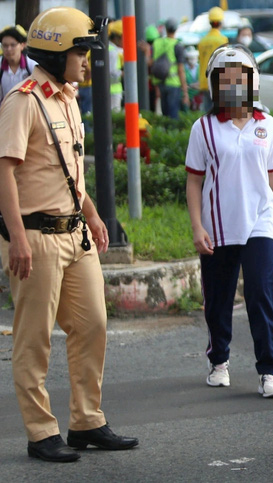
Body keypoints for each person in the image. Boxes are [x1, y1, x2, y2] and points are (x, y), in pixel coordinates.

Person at [0, 7, 138, 463]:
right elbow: (5, 173)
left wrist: (94, 215)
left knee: (92, 324)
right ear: (57, 52)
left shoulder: (66, 97)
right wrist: (16, 239)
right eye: (81, 51)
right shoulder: (24, 101)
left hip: (75, 234)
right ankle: (41, 432)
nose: (87, 60)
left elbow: (68, 169)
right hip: (34, 237)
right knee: (34, 339)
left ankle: (86, 421)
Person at [186, 45, 273, 397]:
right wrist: (197, 226)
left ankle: (269, 372)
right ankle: (219, 361)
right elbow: (194, 180)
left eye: (239, 79)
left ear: (251, 83)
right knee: (219, 297)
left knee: (262, 294)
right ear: (216, 86)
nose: (232, 86)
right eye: (224, 79)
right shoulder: (203, 128)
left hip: (260, 221)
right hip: (219, 225)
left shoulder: (268, 125)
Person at [150, 18, 188, 118]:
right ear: (176, 29)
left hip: (160, 82)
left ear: (166, 29)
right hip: (174, 83)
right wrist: (185, 91)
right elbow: (181, 70)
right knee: (173, 114)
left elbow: (152, 62)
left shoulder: (157, 43)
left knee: (165, 114)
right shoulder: (177, 45)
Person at [197, 6, 228, 112]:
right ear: (221, 22)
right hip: (218, 82)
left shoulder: (202, 41)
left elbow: (200, 61)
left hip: (205, 81)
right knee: (219, 114)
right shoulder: (222, 40)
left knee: (207, 113)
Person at [0, 25, 37, 104]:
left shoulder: (32, 66)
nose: (8, 49)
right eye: (5, 46)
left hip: (27, 111)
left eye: (13, 45)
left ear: (22, 45)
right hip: (5, 111)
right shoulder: (1, 66)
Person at [107, 20, 124, 112]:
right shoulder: (113, 52)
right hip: (113, 91)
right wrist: (123, 73)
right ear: (117, 37)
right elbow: (112, 72)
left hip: (110, 90)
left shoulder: (110, 48)